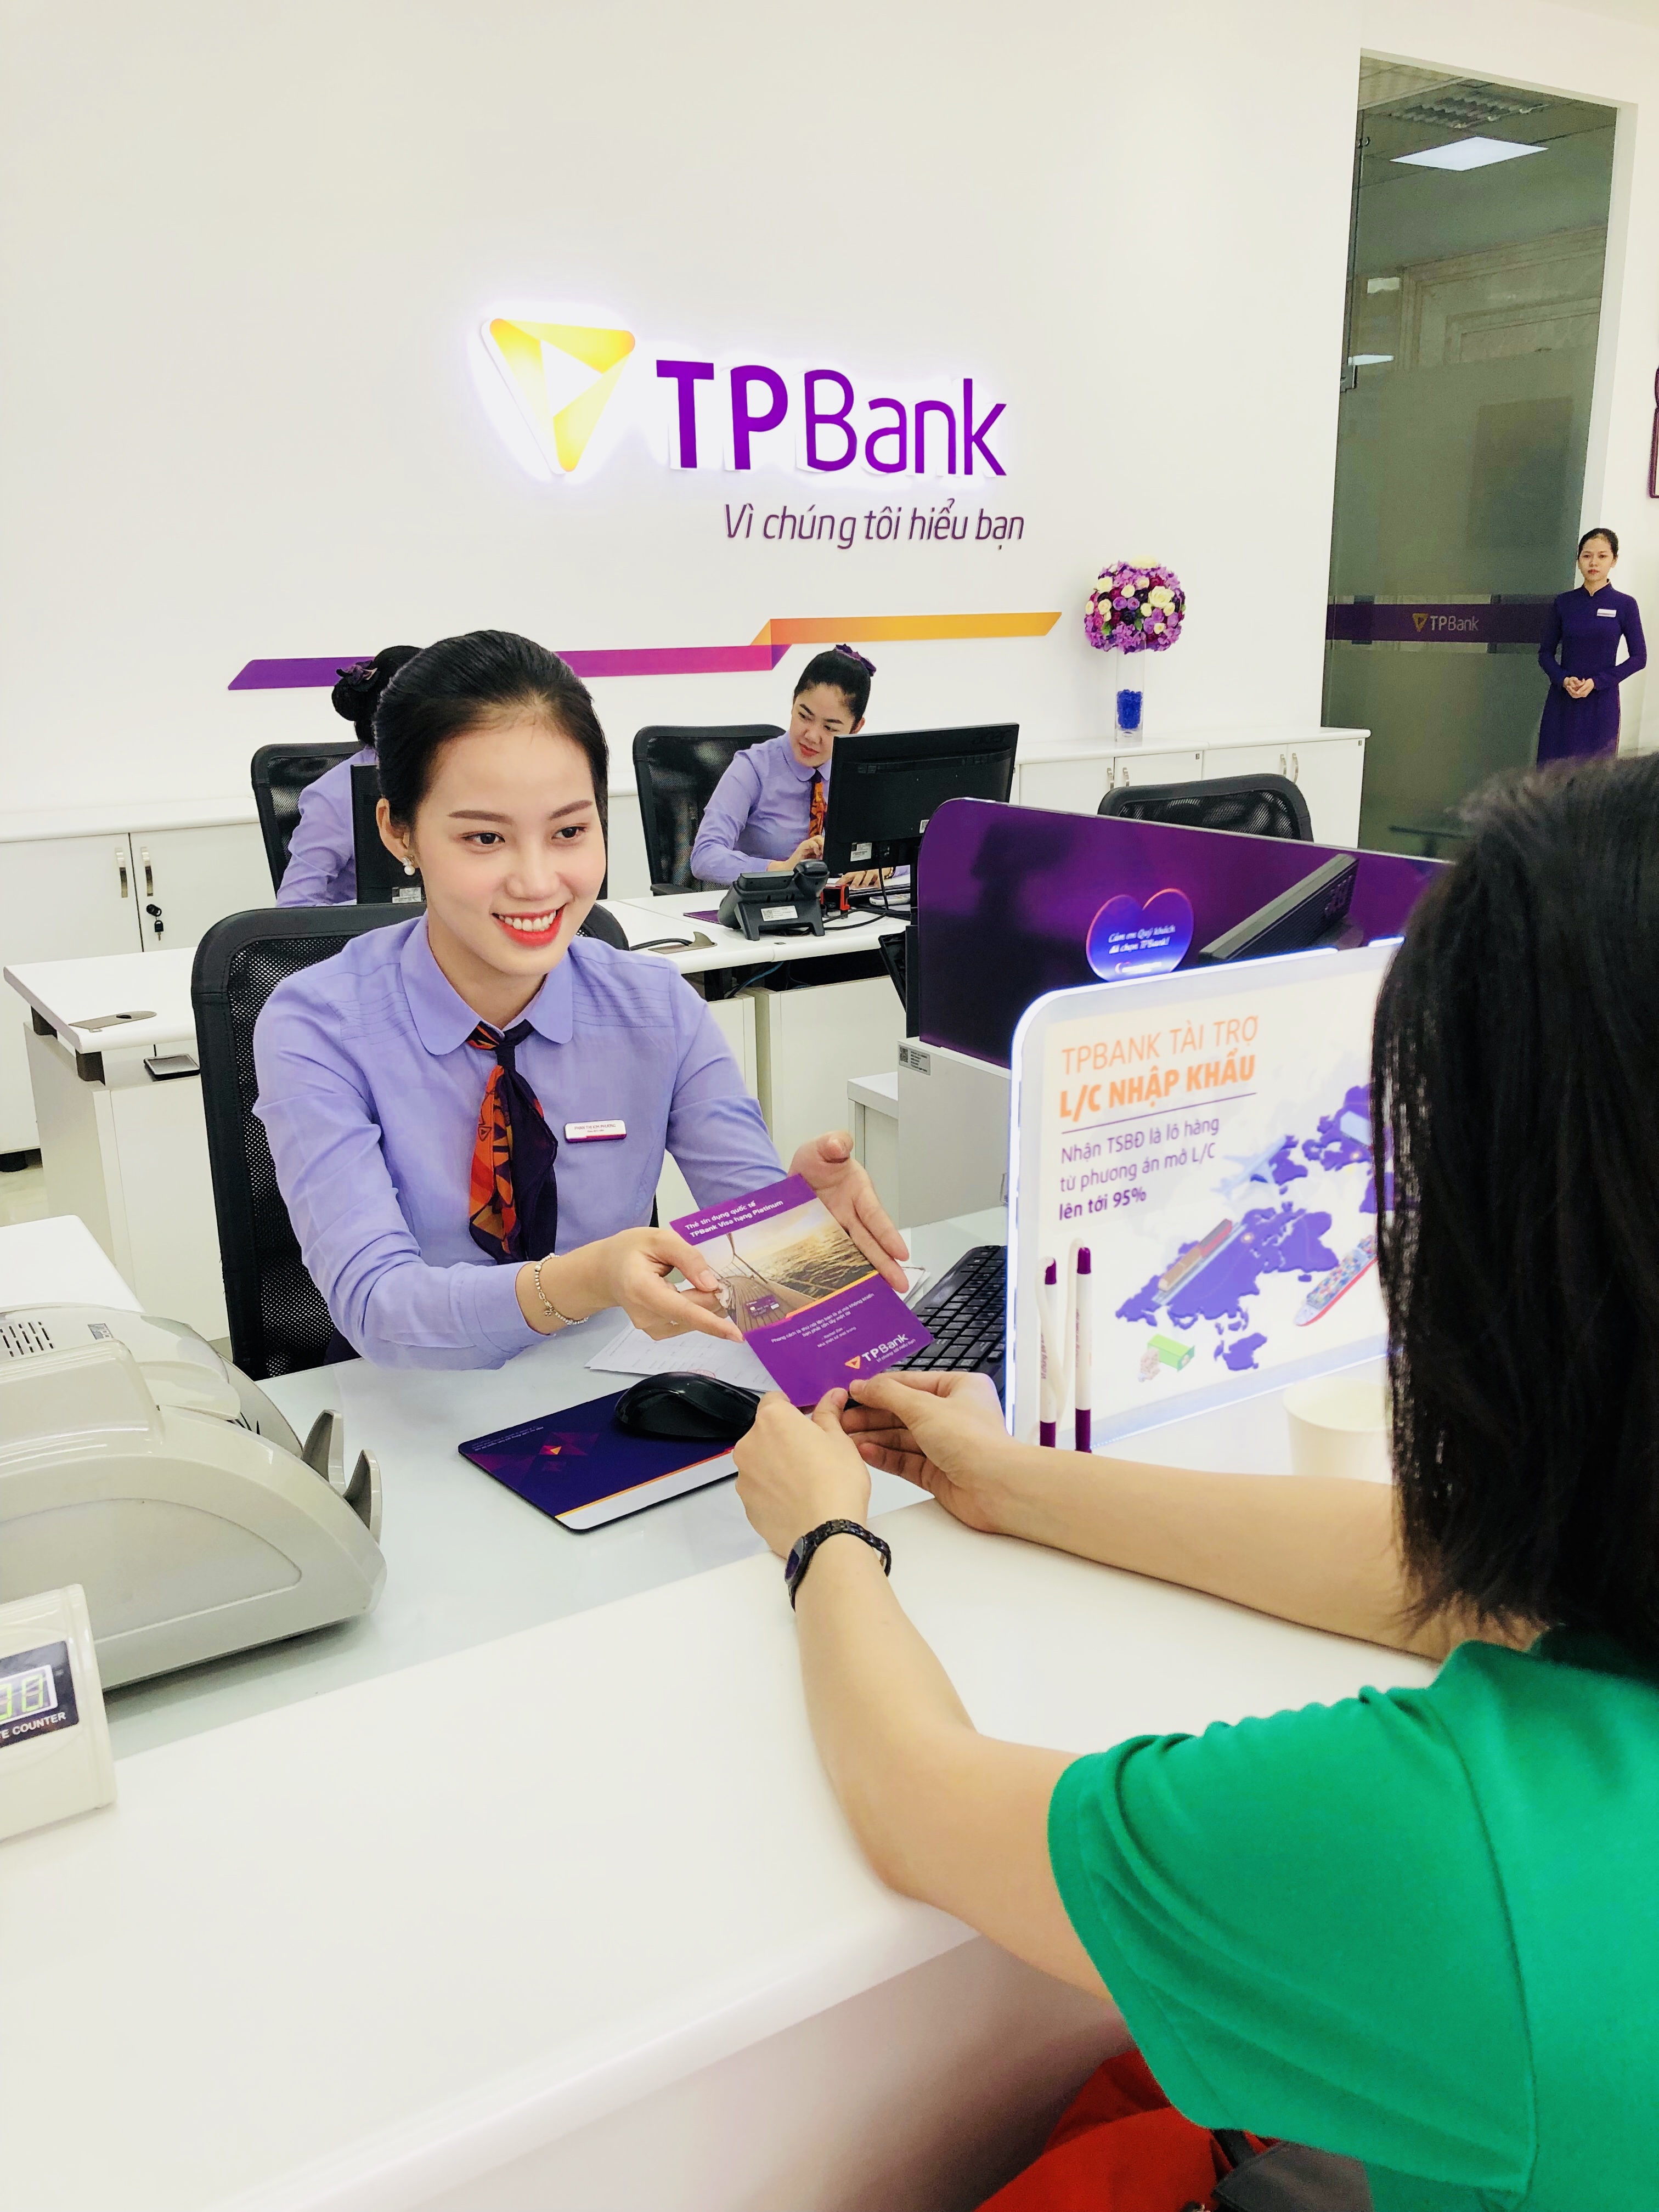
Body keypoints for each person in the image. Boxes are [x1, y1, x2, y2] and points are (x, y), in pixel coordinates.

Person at [732, 754, 1659, 2210]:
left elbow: (920, 1803)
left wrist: (821, 1540)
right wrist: (1012, 1482)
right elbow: (1437, 1576)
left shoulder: (1465, 1854)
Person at [253, 630, 907, 1368]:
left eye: (569, 830)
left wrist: (799, 1241)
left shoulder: (658, 1008)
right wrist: (585, 1282)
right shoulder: (317, 1024)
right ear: (399, 832)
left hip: (613, 1392)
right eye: (484, 839)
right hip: (409, 1403)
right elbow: (378, 1307)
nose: (537, 882)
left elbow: (780, 1274)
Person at [690, 645, 878, 887]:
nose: (812, 736)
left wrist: (885, 866)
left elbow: (912, 848)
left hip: (842, 905)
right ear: (793, 703)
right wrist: (779, 869)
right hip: (765, 904)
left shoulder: (861, 773)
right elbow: (705, 856)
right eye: (804, 716)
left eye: (830, 728)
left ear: (856, 728)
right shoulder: (753, 768)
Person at [276, 646, 422, 905]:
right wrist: (375, 910)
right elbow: (295, 906)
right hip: (377, 929)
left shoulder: (461, 776)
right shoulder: (334, 795)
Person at [1536, 525, 1646, 766]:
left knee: (1595, 775)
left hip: (1601, 702)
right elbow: (1545, 653)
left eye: (1602, 556)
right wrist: (1563, 679)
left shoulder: (1625, 605)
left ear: (1614, 561)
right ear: (1578, 561)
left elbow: (1639, 658)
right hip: (1562, 700)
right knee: (1551, 774)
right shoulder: (1564, 603)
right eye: (1587, 556)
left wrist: (1598, 682)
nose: (1593, 562)